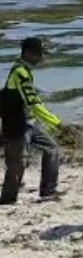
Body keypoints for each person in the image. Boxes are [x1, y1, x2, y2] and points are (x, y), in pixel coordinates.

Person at [0, 37, 63, 205]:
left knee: (52, 148)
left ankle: (48, 191)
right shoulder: (19, 73)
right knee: (17, 163)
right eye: (38, 55)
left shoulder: (25, 71)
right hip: (15, 125)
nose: (40, 58)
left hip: (28, 122)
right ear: (27, 53)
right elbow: (33, 103)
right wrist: (56, 122)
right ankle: (7, 199)